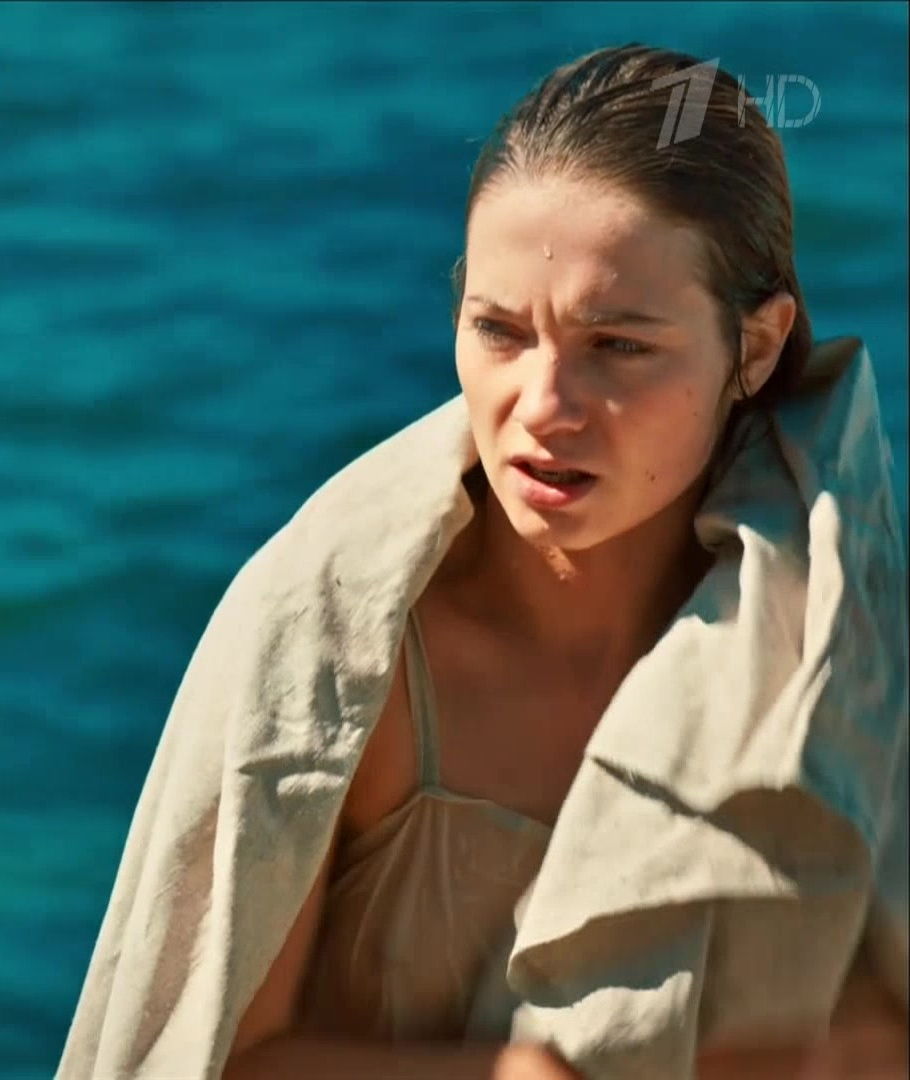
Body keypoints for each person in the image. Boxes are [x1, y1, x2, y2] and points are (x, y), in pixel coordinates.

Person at [58, 44, 907, 1080]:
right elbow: (200, 1056)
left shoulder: (835, 638)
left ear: (758, 347)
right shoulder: (339, 648)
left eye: (619, 345)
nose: (541, 408)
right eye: (499, 331)